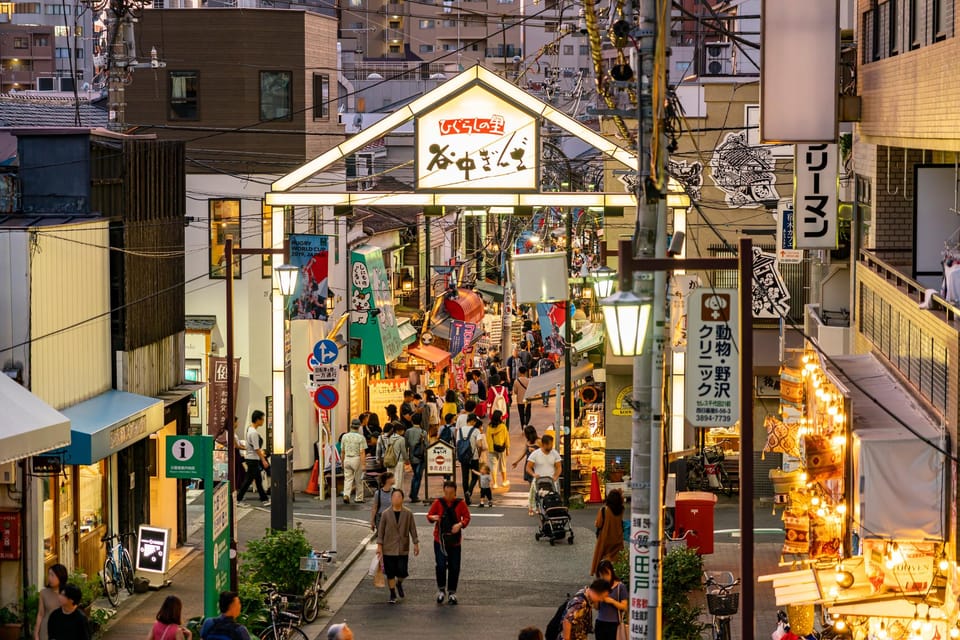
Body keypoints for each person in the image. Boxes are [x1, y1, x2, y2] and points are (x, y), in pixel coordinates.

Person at [426, 481, 471, 605]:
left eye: (451, 493)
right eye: (446, 493)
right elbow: (429, 515)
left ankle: (452, 592)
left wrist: (460, 524)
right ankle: (441, 590)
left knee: (454, 566)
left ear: (455, 492)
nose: (449, 495)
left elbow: (467, 517)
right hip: (439, 540)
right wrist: (433, 518)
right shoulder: (438, 502)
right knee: (440, 565)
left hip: (455, 541)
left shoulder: (460, 503)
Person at [377, 488, 420, 604]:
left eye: (399, 497)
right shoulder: (385, 514)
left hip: (402, 547)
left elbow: (412, 529)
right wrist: (379, 547)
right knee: (390, 572)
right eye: (394, 497)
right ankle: (392, 593)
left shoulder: (408, 513)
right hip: (388, 548)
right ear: (391, 499)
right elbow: (380, 531)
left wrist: (416, 543)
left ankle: (399, 583)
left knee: (402, 571)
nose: (396, 499)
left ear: (402, 499)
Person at [237, 410, 269, 505]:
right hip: (253, 459)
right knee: (248, 480)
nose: (263, 421)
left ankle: (264, 499)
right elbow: (256, 448)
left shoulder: (249, 429)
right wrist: (263, 460)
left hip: (251, 458)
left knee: (257, 480)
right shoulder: (254, 433)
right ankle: (238, 499)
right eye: (262, 419)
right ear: (257, 420)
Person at [525, 434, 562, 515]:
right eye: (550, 444)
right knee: (536, 496)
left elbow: (559, 467)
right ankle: (534, 508)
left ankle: (552, 509)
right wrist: (533, 474)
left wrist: (555, 476)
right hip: (539, 480)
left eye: (552, 444)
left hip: (551, 480)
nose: (551, 446)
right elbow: (528, 467)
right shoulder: (535, 454)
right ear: (544, 444)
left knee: (553, 496)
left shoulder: (555, 453)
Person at [591, 489, 625, 575]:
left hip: (605, 538)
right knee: (617, 557)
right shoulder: (621, 510)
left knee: (601, 555)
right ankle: (617, 572)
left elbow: (598, 524)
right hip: (618, 537)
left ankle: (601, 572)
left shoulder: (604, 510)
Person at [594, 560, 628, 640]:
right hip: (600, 622)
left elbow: (624, 606)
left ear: (611, 573)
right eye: (601, 575)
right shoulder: (599, 586)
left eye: (606, 574)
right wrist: (596, 598)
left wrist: (611, 601)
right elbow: (596, 607)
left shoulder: (620, 587)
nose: (604, 577)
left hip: (614, 624)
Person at [456, 413, 484, 505]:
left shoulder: (460, 430)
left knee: (465, 477)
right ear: (472, 421)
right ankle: (469, 492)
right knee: (475, 476)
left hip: (463, 457)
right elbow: (479, 445)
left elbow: (457, 443)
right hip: (474, 457)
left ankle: (466, 496)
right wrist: (478, 450)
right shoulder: (476, 431)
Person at [512, 426, 540, 515]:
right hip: (528, 466)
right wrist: (516, 461)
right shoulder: (527, 442)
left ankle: (536, 506)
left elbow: (544, 452)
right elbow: (523, 453)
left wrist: (535, 451)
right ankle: (531, 507)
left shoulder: (539, 441)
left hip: (537, 467)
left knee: (538, 488)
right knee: (532, 488)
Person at [35, 564, 68, 640]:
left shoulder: (67, 593)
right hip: (46, 629)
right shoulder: (43, 593)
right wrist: (36, 633)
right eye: (48, 575)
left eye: (52, 575)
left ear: (60, 576)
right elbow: (40, 614)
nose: (49, 578)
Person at [341, 419, 367, 504]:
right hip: (356, 459)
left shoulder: (344, 436)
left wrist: (342, 461)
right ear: (359, 427)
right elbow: (362, 452)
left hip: (347, 459)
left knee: (347, 478)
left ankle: (346, 494)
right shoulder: (361, 438)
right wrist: (363, 464)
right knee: (358, 479)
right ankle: (359, 498)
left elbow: (342, 451)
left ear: (351, 426)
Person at [377, 423, 407, 489]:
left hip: (389, 460)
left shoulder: (389, 437)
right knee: (398, 479)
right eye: (402, 430)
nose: (403, 432)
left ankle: (390, 493)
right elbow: (403, 451)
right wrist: (407, 459)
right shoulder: (401, 439)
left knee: (390, 478)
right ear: (398, 431)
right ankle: (396, 494)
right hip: (399, 461)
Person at [485, 410, 509, 488]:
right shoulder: (503, 426)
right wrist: (508, 448)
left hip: (492, 448)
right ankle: (504, 481)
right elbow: (506, 438)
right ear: (499, 417)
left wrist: (490, 448)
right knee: (503, 465)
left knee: (493, 466)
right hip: (501, 448)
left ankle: (495, 483)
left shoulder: (489, 427)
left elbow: (488, 438)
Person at [405, 414, 426, 503]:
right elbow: (426, 445)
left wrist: (406, 457)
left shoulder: (408, 431)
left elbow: (406, 445)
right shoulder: (423, 432)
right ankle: (414, 495)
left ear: (412, 421)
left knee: (415, 475)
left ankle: (413, 494)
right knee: (418, 476)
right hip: (420, 457)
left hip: (411, 456)